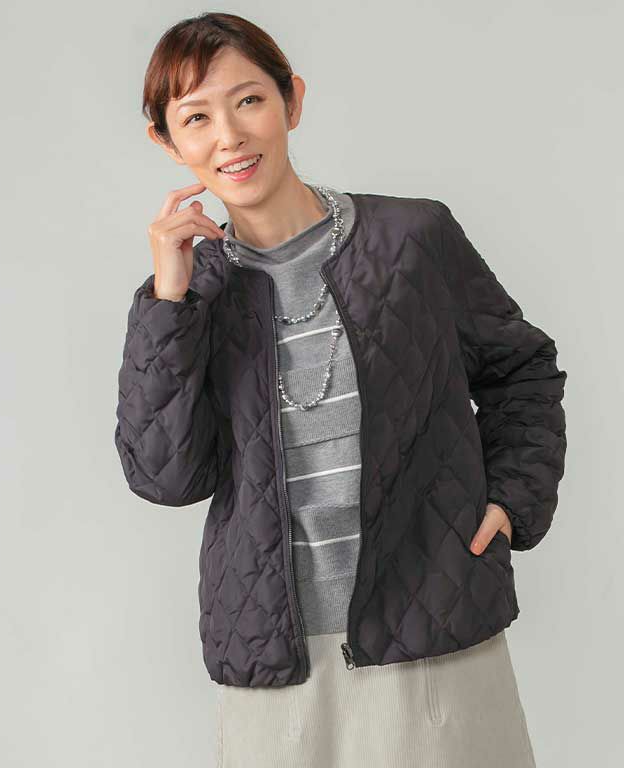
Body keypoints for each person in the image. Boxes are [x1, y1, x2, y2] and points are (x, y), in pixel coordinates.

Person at [114, 12, 567, 768]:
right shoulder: (189, 298)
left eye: (248, 101)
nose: (229, 136)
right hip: (274, 656)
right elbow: (167, 477)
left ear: (291, 100)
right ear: (168, 141)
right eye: (196, 118)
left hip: (432, 631)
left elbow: (521, 369)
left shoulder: (411, 239)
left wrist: (513, 501)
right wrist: (169, 300)